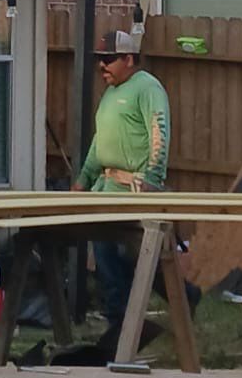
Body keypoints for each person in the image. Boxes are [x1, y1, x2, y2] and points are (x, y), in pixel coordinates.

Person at [73, 31, 196, 343]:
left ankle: (132, 325)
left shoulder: (147, 87)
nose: (102, 66)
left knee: (134, 260)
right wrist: (84, 180)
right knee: (111, 259)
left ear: (129, 59)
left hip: (134, 189)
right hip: (106, 189)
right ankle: (122, 326)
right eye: (100, 60)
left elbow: (159, 133)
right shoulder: (110, 94)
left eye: (109, 59)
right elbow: (100, 142)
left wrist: (152, 180)